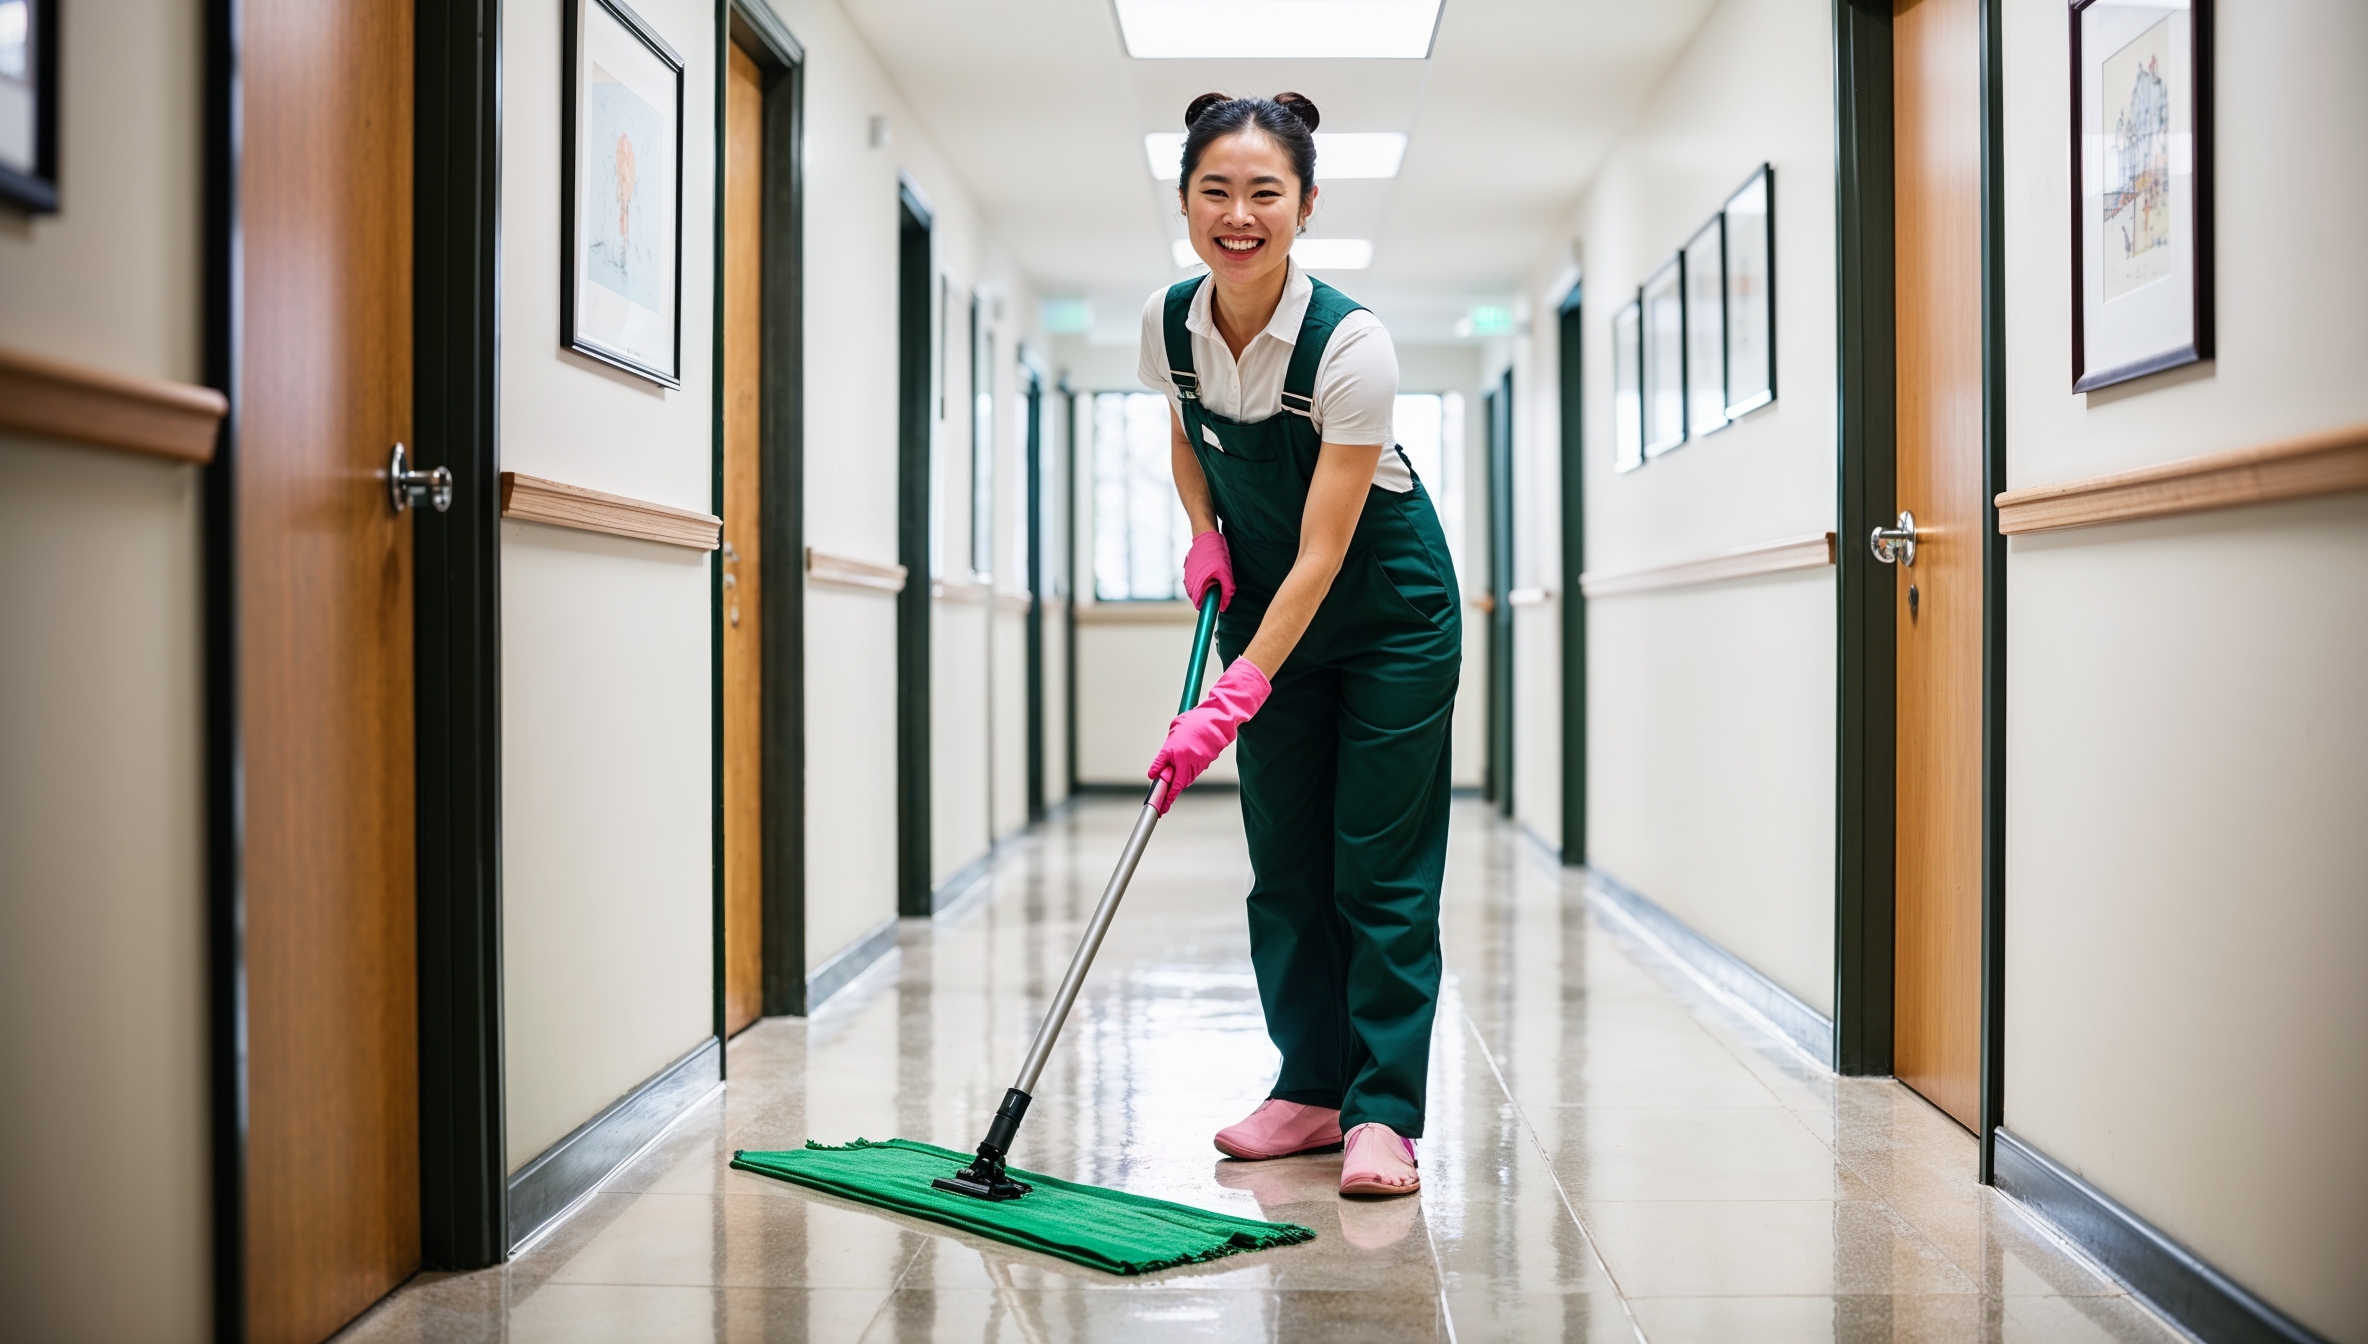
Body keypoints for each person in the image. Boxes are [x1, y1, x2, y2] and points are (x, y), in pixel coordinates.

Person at [1140, 91, 1461, 1200]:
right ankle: (1309, 1088)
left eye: (1264, 192)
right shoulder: (1170, 320)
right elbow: (1185, 429)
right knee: (1285, 866)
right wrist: (1201, 537)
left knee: (1376, 863)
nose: (1239, 214)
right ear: (1184, 200)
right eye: (1215, 191)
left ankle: (1383, 1113)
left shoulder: (1350, 345)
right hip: (1265, 603)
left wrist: (1227, 697)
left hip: (1385, 614)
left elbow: (1323, 555)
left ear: (1306, 204)